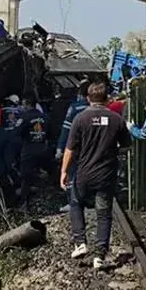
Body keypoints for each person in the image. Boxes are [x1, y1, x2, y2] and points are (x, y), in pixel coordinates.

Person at [61, 82, 131, 269]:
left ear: (88, 98)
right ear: (107, 98)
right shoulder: (116, 119)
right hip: (106, 174)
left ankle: (80, 242)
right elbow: (126, 145)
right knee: (103, 213)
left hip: (84, 173)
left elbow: (70, 149)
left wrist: (64, 171)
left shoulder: (80, 118)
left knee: (76, 203)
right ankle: (99, 255)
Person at [56, 80, 91, 212]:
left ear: (80, 94)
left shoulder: (74, 108)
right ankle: (86, 199)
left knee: (72, 173)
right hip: (92, 147)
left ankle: (73, 202)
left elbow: (66, 129)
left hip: (76, 147)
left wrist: (60, 148)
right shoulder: (97, 109)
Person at [17, 95, 51, 204]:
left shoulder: (24, 118)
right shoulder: (45, 117)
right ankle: (46, 198)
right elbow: (52, 133)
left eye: (23, 104)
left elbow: (16, 133)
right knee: (45, 175)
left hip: (28, 151)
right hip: (43, 149)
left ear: (27, 104)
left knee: (25, 178)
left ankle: (24, 203)